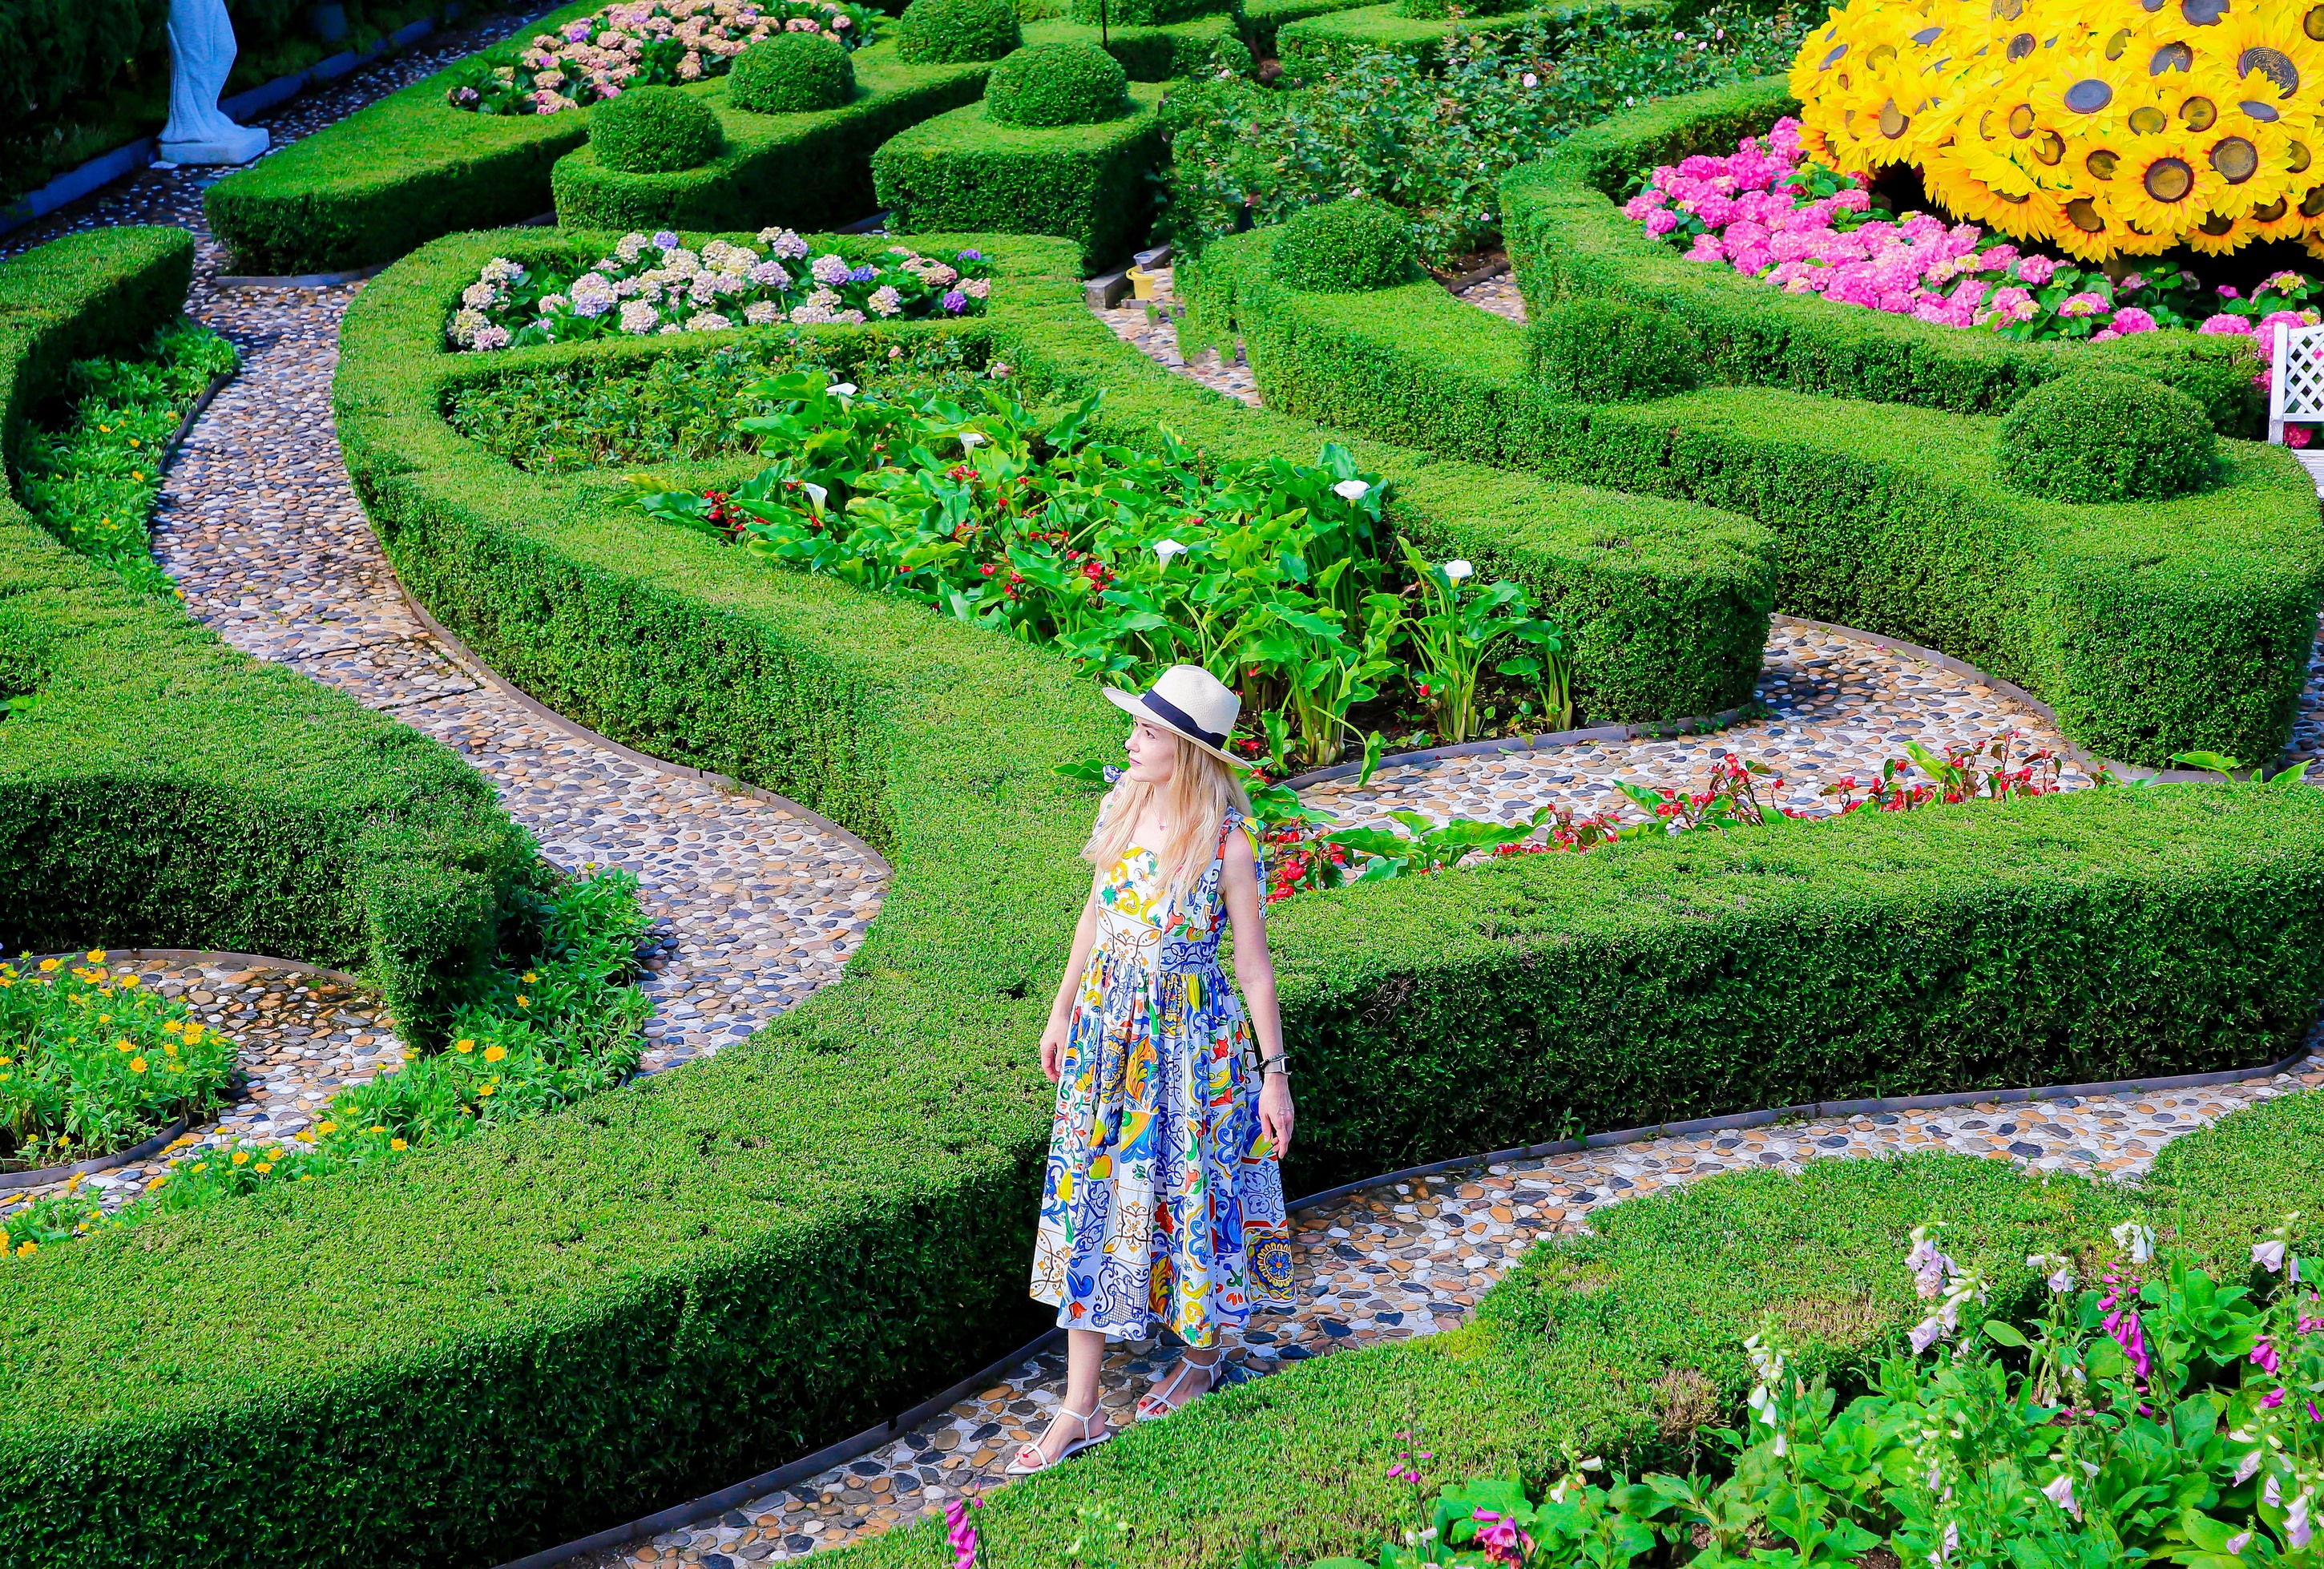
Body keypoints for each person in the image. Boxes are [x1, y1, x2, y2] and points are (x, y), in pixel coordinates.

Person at [1012, 664, 1298, 1474]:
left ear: (1183, 750)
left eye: (1143, 731)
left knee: (1191, 1191)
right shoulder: (1123, 804)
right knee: (1089, 1196)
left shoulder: (1226, 843)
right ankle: (1079, 1405)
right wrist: (1061, 1008)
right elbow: (1096, 914)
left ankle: (1202, 1359)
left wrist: (1272, 1073)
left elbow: (1253, 967)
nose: (1129, 740)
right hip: (1108, 1032)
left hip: (1190, 1046)